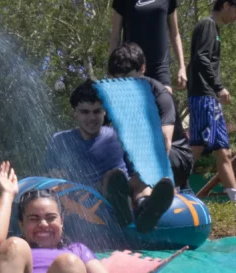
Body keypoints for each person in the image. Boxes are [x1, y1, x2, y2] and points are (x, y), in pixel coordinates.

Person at [44, 80, 175, 233]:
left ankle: (145, 208)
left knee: (139, 178)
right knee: (113, 177)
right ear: (74, 113)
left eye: (97, 111)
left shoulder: (120, 136)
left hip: (125, 191)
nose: (92, 118)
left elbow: (135, 175)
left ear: (105, 111)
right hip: (90, 198)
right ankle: (124, 210)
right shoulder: (60, 141)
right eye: (85, 112)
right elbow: (50, 180)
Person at [187, 0, 236, 204]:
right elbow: (200, 58)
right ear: (226, 5)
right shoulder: (208, 25)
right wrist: (219, 86)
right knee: (197, 146)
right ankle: (174, 187)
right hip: (204, 94)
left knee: (222, 149)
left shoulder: (214, 29)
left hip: (207, 96)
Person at [107, 42, 195, 191]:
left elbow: (163, 145)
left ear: (142, 69)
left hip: (176, 157)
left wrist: (130, 183)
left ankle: (159, 193)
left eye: (129, 79)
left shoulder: (160, 96)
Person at [110, 0, 185, 90]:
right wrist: (112, 70)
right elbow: (115, 36)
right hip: (130, 66)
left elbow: (175, 34)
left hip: (159, 65)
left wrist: (182, 67)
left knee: (165, 106)